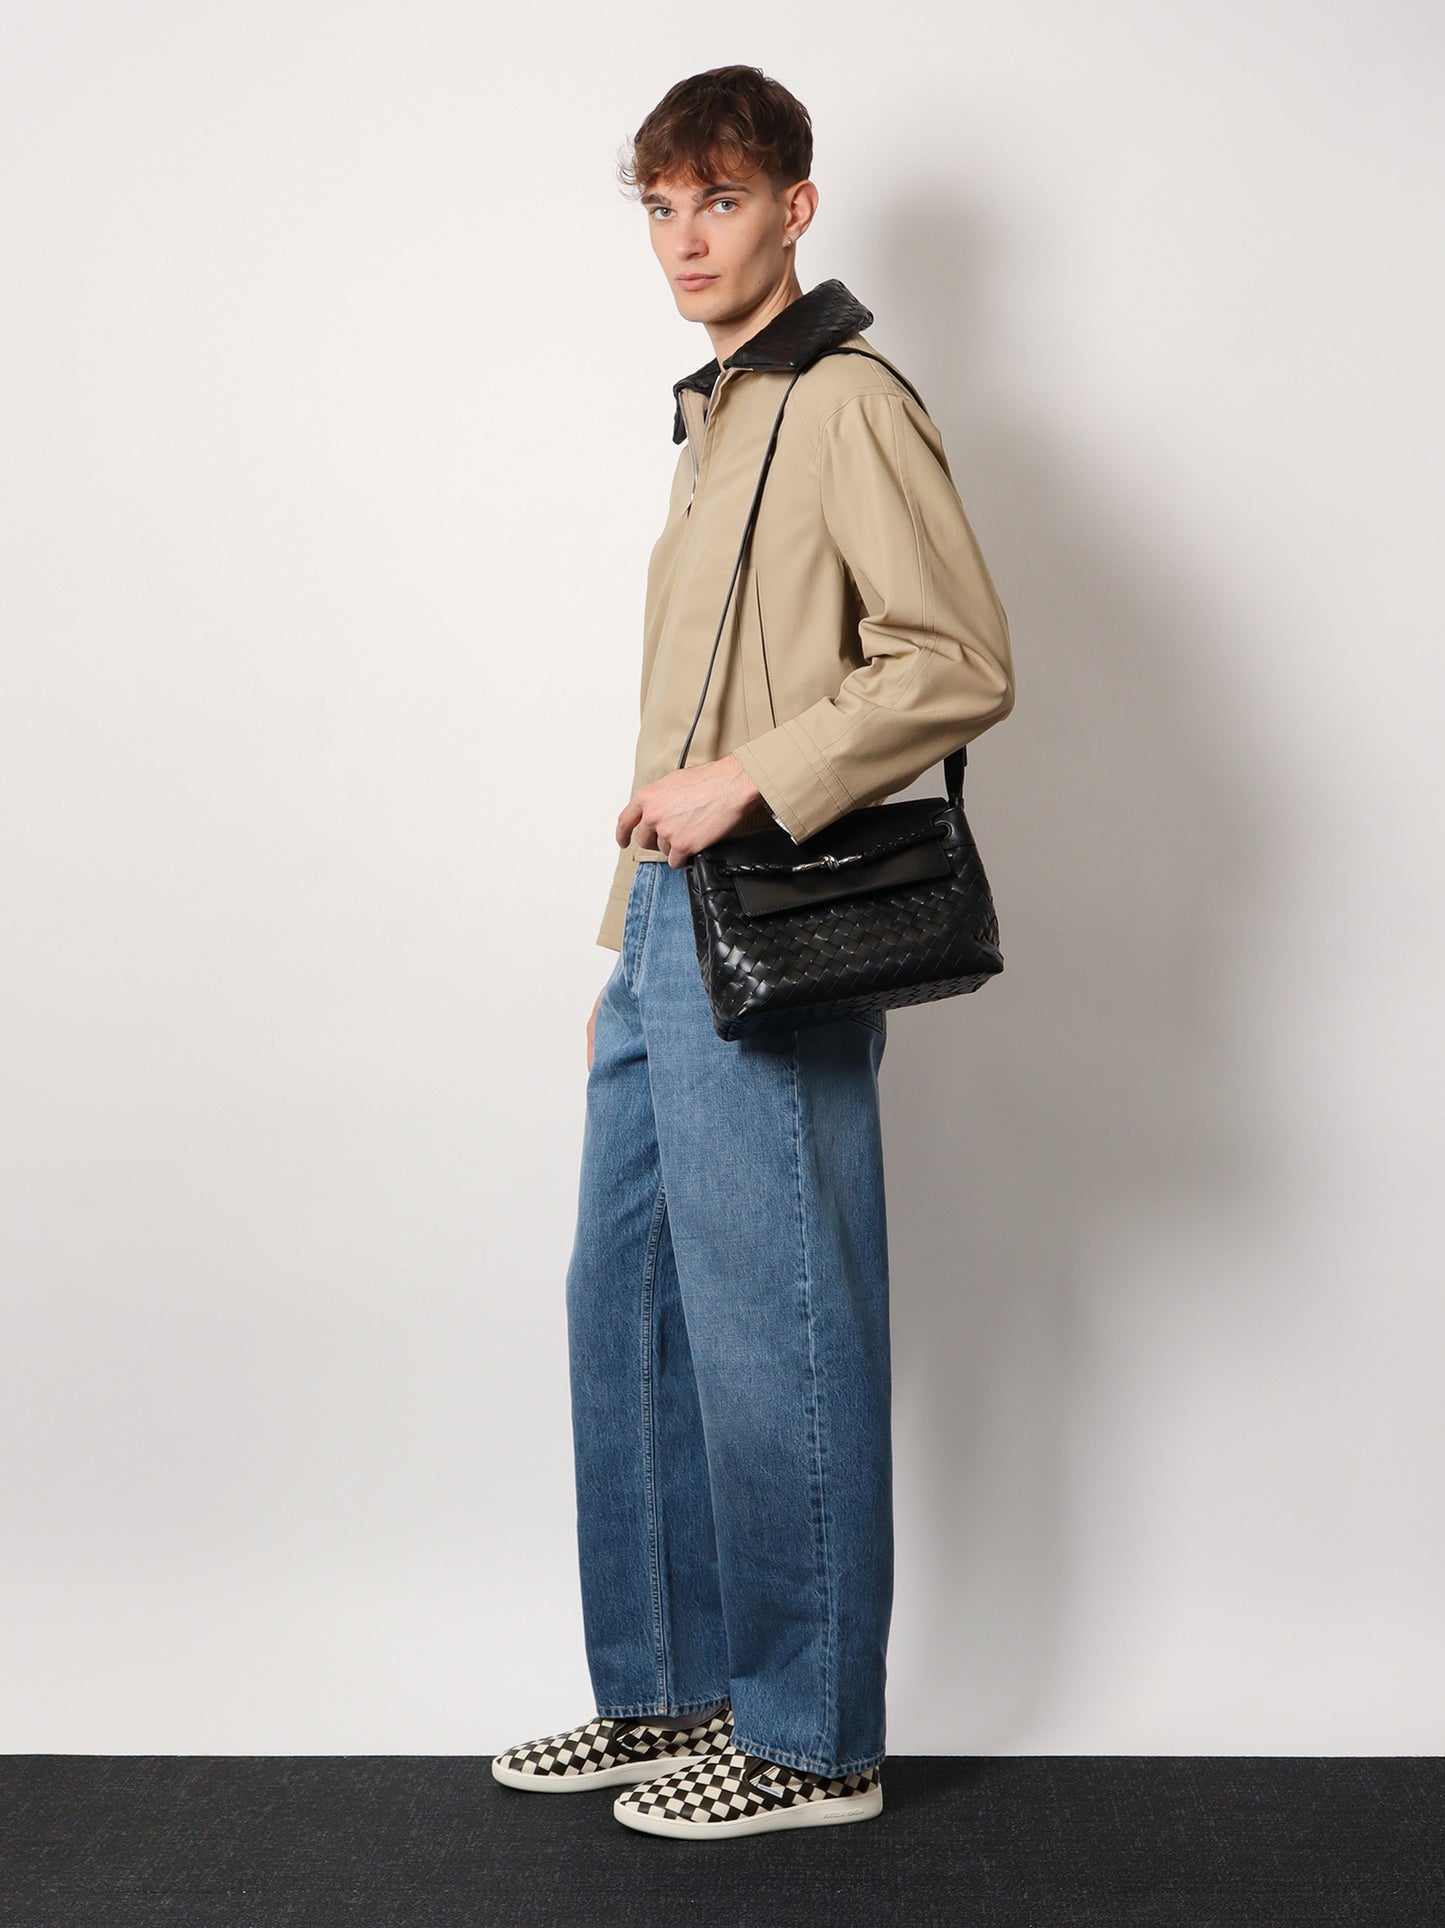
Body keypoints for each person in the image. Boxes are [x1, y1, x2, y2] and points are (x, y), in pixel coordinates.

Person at [491, 64, 1015, 1841]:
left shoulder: (844, 401)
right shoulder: (719, 415)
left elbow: (953, 657)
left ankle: (808, 1742)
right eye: (659, 207)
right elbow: (681, 717)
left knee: (775, 1318)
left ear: (795, 206)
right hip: (666, 931)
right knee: (628, 1310)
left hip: (778, 922)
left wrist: (758, 780)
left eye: (717, 201)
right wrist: (621, 956)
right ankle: (669, 1694)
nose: (684, 240)